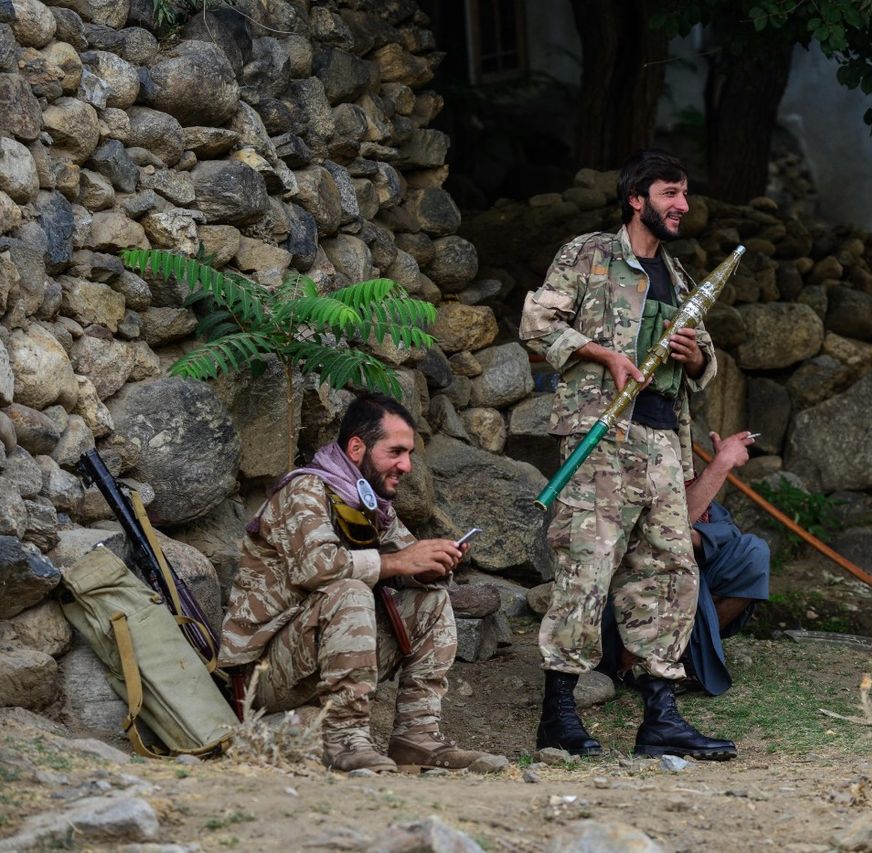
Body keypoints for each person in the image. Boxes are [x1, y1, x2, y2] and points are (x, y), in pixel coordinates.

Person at [519, 149, 736, 760]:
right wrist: (602, 354)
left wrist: (697, 358)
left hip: (664, 443)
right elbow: (537, 324)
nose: (682, 206)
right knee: (586, 568)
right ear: (637, 198)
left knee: (670, 572)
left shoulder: (680, 275)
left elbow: (706, 361)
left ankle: (660, 717)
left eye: (685, 194)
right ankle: (558, 716)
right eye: (670, 193)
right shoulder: (589, 254)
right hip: (600, 439)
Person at [220, 394, 495, 772]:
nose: (406, 465)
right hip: (265, 673)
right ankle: (345, 738)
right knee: (349, 590)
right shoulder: (304, 491)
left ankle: (417, 737)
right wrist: (401, 561)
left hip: (320, 656)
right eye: (396, 452)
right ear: (356, 447)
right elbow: (318, 569)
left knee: (431, 600)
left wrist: (429, 566)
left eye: (410, 453)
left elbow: (404, 559)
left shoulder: (370, 504)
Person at [599, 430, 770, 696]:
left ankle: (686, 654)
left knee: (754, 552)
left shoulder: (696, 492)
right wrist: (722, 463)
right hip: (632, 596)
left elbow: (719, 535)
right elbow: (670, 531)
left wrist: (699, 536)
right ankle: (634, 664)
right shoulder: (632, 473)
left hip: (685, 584)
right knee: (678, 564)